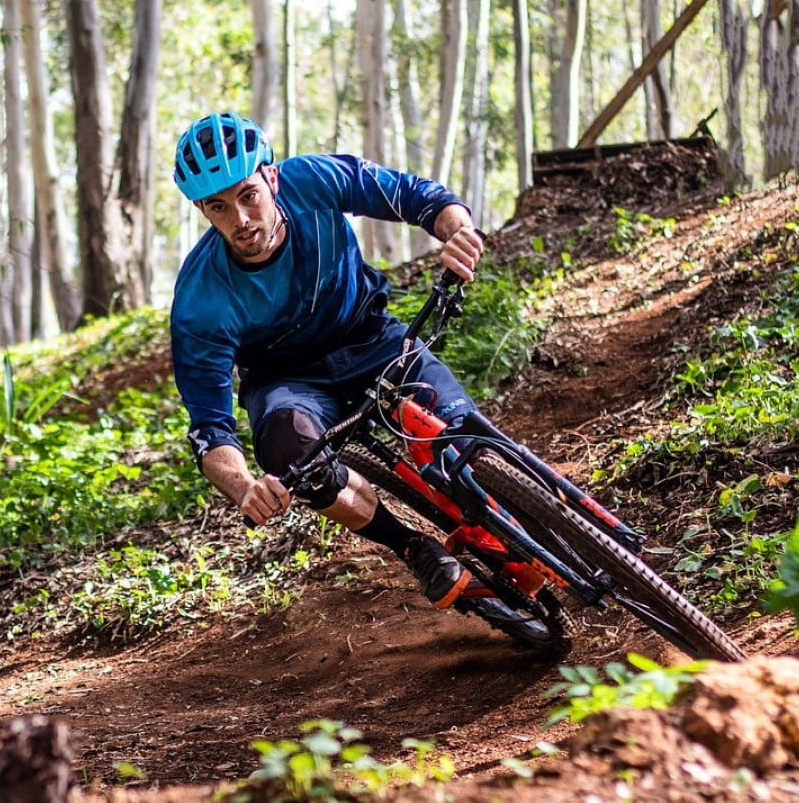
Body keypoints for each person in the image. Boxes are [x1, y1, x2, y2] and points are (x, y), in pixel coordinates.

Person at [169, 111, 543, 640]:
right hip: (288, 382)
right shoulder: (200, 301)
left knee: (457, 433)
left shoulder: (314, 181)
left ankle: (524, 520)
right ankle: (412, 545)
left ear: (271, 178)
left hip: (370, 339)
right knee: (285, 447)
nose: (241, 219)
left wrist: (458, 231)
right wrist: (245, 487)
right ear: (201, 210)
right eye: (218, 207)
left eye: (248, 194)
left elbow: (418, 197)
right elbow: (210, 430)